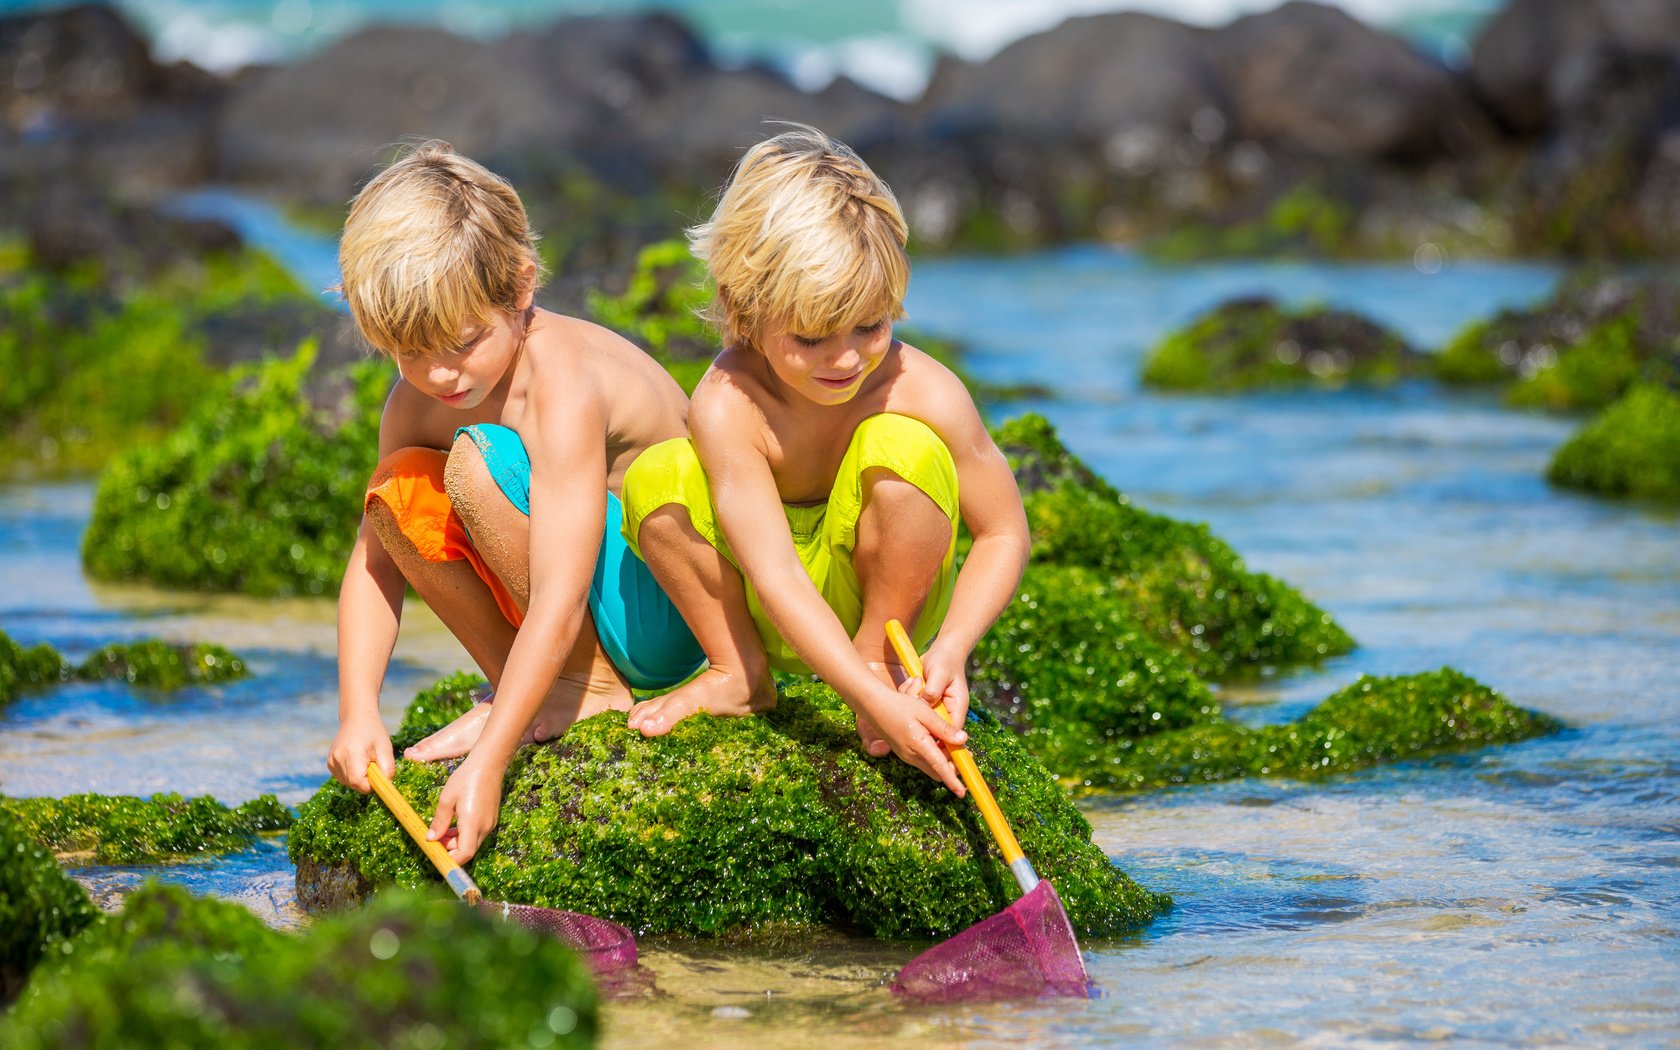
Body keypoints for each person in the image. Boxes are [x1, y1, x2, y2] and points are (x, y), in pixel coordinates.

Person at [324, 141, 772, 864]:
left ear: (521, 285)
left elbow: (561, 597)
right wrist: (358, 712)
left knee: (476, 465)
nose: (439, 373)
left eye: (463, 341)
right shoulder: (417, 400)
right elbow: (375, 566)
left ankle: (581, 689)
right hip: (578, 602)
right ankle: (535, 685)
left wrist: (491, 761)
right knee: (402, 487)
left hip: (669, 607)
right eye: (409, 351)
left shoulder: (561, 381)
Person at [620, 124, 1031, 795]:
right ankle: (738, 673)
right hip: (770, 605)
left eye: (870, 326)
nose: (845, 359)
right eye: (810, 338)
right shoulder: (731, 404)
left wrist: (953, 647)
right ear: (742, 313)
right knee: (657, 476)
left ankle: (875, 660)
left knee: (904, 446)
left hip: (889, 611)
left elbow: (1005, 531)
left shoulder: (921, 388)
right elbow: (776, 574)